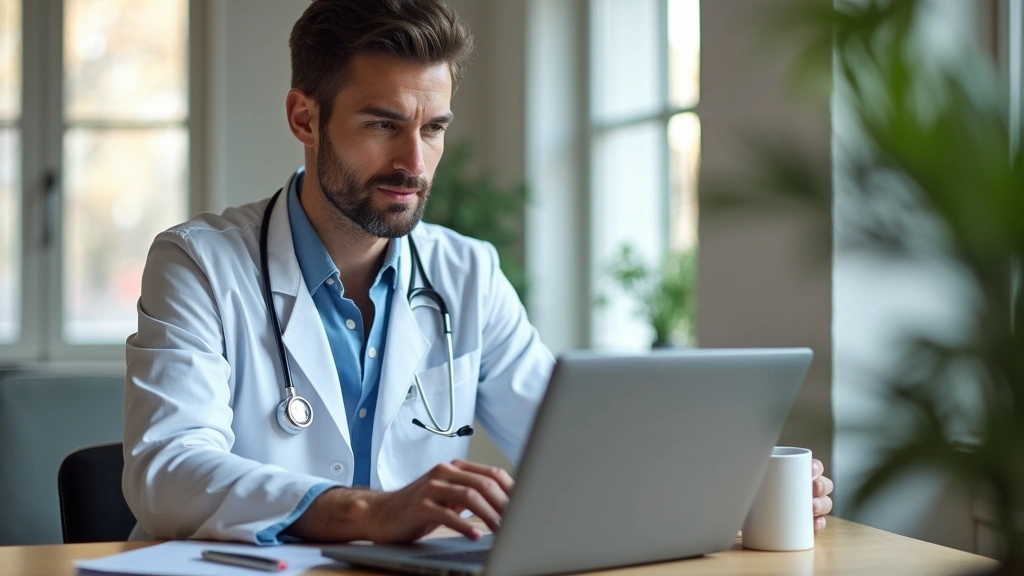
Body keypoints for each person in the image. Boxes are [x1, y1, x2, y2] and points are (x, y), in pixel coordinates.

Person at [122, 0, 833, 545]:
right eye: (382, 124)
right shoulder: (199, 264)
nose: (414, 162)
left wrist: (736, 486)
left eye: (433, 129)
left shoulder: (468, 273)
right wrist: (371, 510)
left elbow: (574, 447)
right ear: (304, 118)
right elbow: (166, 471)